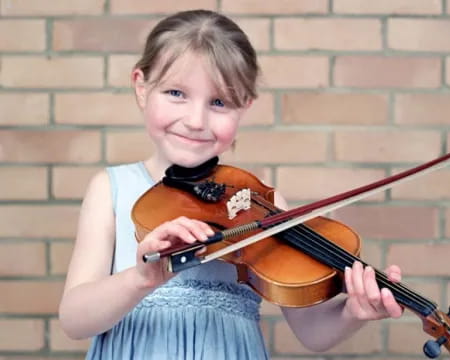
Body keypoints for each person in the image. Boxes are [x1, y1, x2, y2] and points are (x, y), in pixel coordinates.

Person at [58, 9, 403, 360]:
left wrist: (352, 313)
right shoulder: (111, 188)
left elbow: (311, 332)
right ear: (142, 87)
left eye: (219, 102)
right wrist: (139, 280)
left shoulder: (262, 204)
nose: (195, 121)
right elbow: (74, 319)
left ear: (245, 107)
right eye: (176, 93)